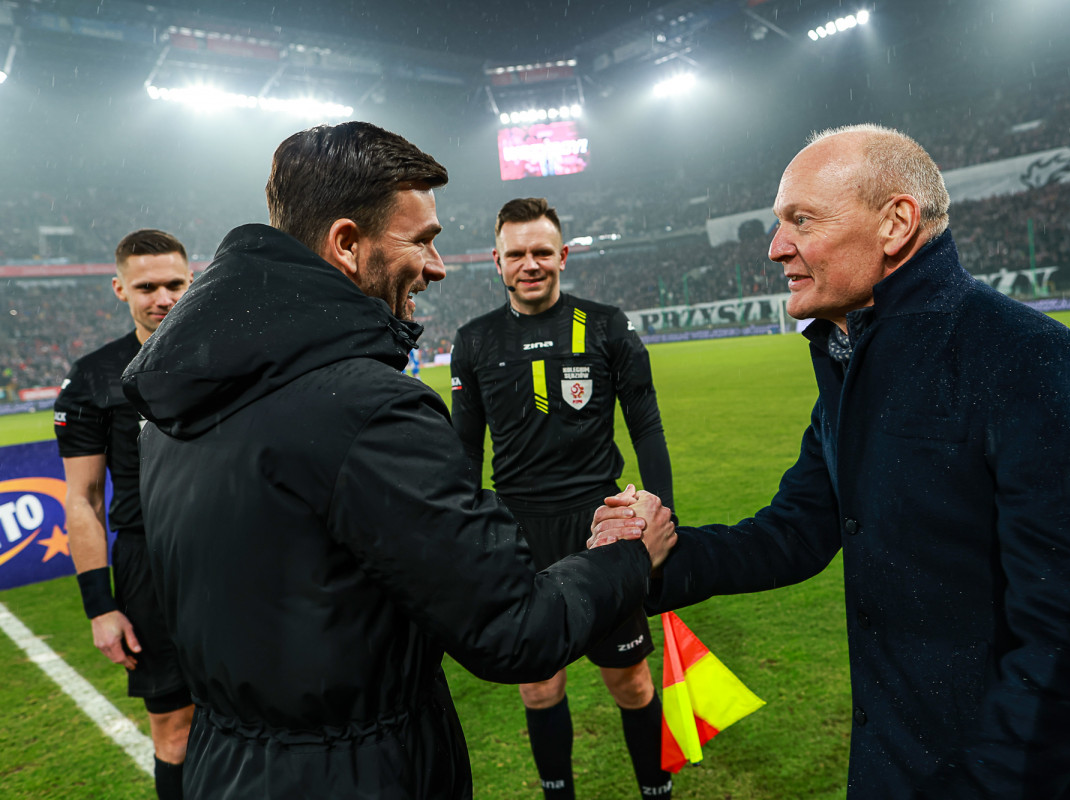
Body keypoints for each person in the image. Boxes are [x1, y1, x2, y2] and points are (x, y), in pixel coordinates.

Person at [120, 121, 676, 800]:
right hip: (358, 774)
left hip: (226, 764)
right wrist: (627, 556)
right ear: (347, 244)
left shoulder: (169, 409)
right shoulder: (370, 409)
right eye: (422, 240)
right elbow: (514, 629)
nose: (437, 266)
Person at [593, 124, 1070, 798]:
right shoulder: (849, 369)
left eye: (801, 220)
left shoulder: (1033, 360)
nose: (775, 247)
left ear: (895, 224)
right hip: (894, 765)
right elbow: (794, 531)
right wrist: (656, 559)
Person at [451, 197, 675, 800]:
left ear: (564, 256)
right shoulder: (474, 341)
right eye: (517, 253)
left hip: (602, 527)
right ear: (497, 261)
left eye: (542, 251)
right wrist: (464, 535)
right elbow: (464, 451)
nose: (531, 263)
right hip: (519, 534)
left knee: (631, 682)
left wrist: (663, 511)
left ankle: (656, 792)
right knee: (539, 687)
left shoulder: (605, 326)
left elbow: (646, 426)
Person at [54, 229, 195, 800]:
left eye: (174, 284)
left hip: (233, 554)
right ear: (120, 289)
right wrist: (100, 606)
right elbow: (83, 499)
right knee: (177, 728)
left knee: (261, 710)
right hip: (149, 566)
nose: (163, 297)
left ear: (193, 281)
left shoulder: (230, 358)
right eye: (146, 287)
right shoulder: (93, 377)